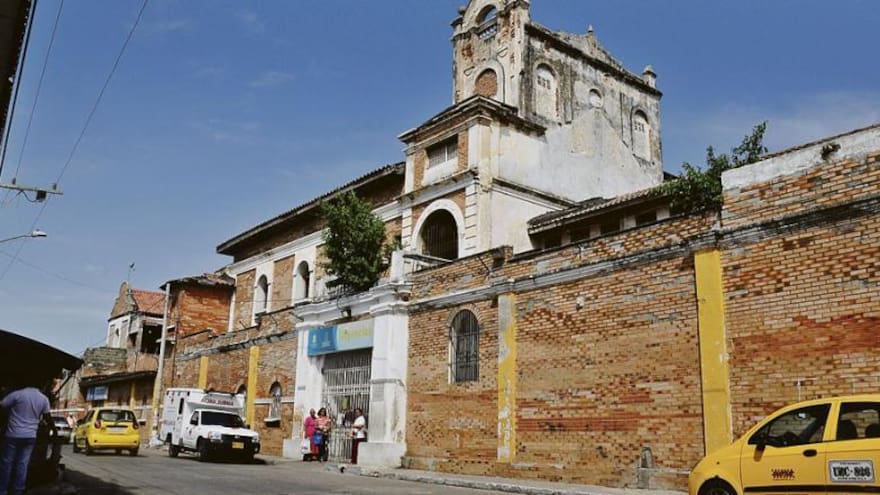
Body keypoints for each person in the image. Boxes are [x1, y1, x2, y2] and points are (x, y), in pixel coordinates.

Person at [0, 380, 54, 495]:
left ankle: (2, 490)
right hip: (30, 436)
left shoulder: (17, 394)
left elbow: (2, 405)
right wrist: (54, 430)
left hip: (13, 435)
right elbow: (48, 417)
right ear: (41, 385)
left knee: (7, 463)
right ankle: (18, 490)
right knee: (23, 464)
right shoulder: (43, 399)